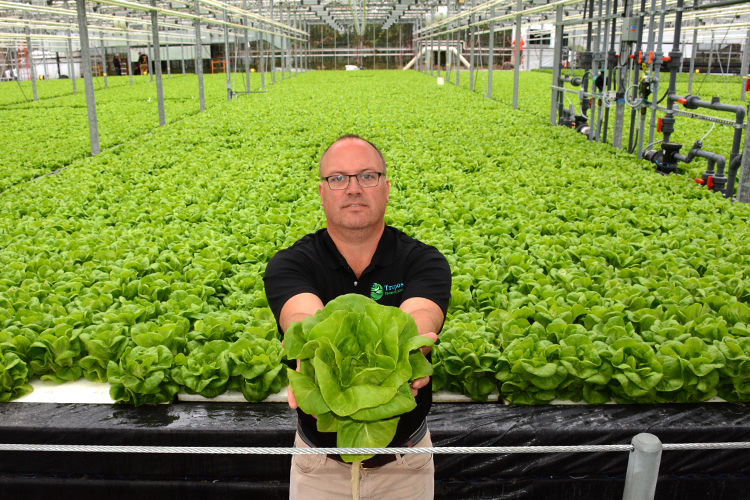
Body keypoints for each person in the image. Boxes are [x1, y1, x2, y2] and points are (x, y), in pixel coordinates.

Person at [264, 135, 451, 500]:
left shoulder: (423, 260)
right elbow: (302, 314)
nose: (353, 188)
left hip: (404, 467)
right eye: (338, 178)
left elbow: (420, 316)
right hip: (319, 469)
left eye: (367, 176)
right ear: (322, 192)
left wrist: (415, 348)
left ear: (386, 188)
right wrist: (309, 352)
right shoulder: (292, 263)